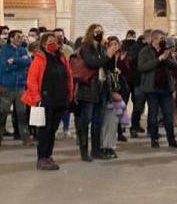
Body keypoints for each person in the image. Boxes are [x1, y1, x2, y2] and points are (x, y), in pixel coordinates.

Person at [23, 33, 74, 170]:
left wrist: (70, 94)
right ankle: (42, 158)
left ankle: (48, 155)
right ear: (43, 44)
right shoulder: (39, 59)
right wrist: (37, 98)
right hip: (45, 100)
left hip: (60, 99)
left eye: (54, 41)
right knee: (45, 130)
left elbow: (68, 76)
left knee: (52, 130)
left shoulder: (62, 58)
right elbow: (32, 80)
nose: (53, 44)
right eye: (49, 41)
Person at [72, 23, 110, 162]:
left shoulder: (102, 48)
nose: (99, 33)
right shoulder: (85, 48)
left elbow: (109, 68)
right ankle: (84, 151)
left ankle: (96, 150)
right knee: (85, 120)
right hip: (88, 88)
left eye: (101, 31)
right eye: (96, 31)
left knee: (98, 121)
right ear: (90, 33)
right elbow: (92, 63)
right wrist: (108, 56)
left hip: (102, 87)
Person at [137, 30, 177, 148]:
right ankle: (154, 139)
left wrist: (166, 58)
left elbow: (176, 65)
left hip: (166, 88)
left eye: (164, 38)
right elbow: (142, 67)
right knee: (153, 115)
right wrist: (158, 59)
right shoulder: (145, 51)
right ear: (154, 39)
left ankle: (171, 139)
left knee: (168, 115)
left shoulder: (166, 51)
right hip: (152, 88)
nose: (164, 40)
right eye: (161, 38)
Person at [0, 29, 32, 145]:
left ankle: (25, 138)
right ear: (11, 39)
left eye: (21, 37)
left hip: (20, 86)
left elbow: (29, 62)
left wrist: (15, 61)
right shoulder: (5, 50)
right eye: (18, 37)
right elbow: (5, 66)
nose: (21, 39)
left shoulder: (23, 49)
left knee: (22, 114)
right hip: (7, 86)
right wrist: (20, 64)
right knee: (2, 113)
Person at [99, 36, 128, 160]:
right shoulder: (105, 59)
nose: (115, 46)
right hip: (106, 95)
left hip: (113, 96)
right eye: (112, 44)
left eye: (117, 44)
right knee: (106, 123)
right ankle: (104, 146)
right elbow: (107, 77)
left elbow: (114, 78)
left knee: (113, 122)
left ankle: (110, 146)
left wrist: (116, 91)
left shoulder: (115, 61)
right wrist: (113, 92)